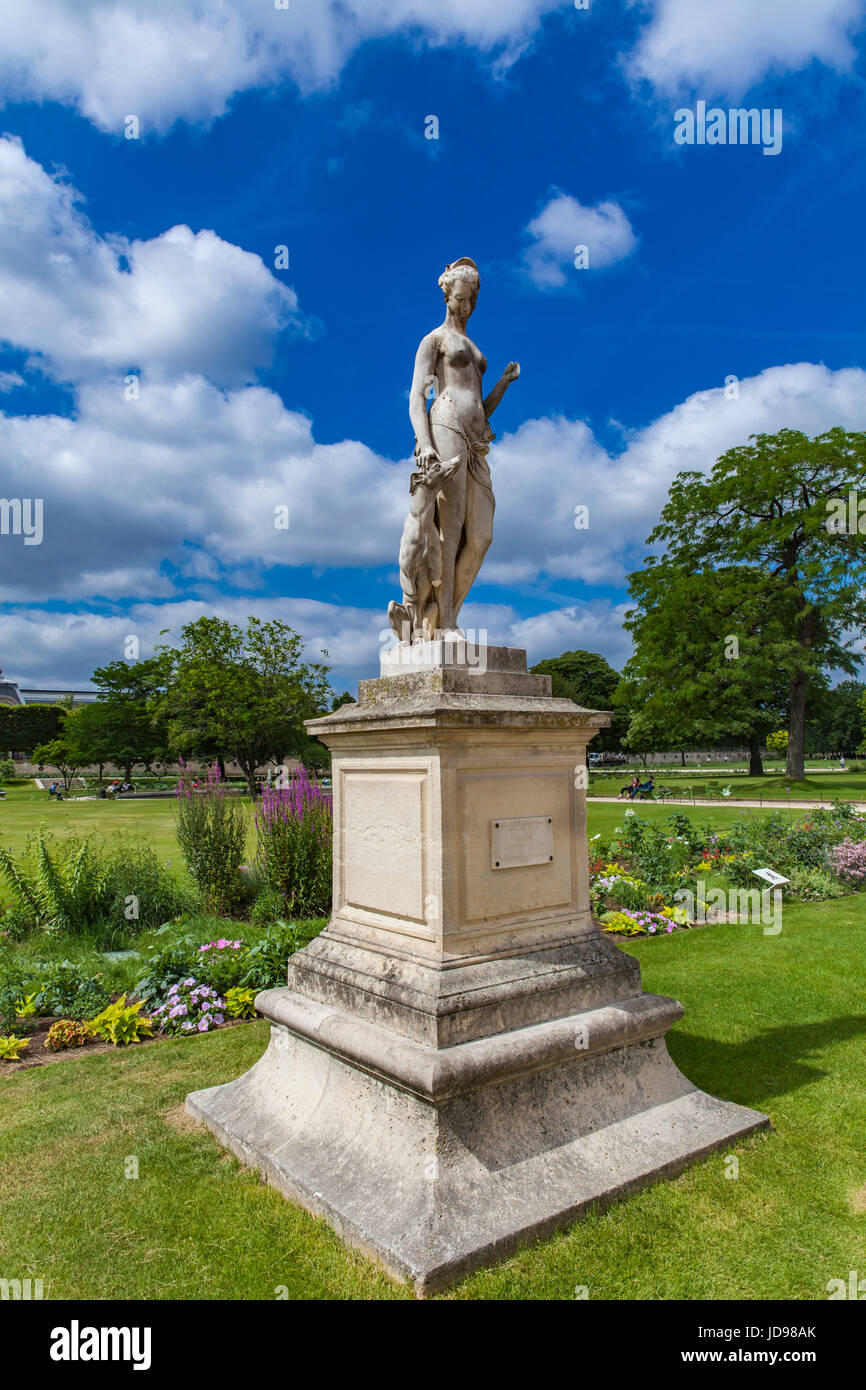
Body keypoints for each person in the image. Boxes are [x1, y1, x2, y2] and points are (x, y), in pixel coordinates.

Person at [396, 257, 520, 640]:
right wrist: (425, 443)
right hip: (445, 425)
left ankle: (440, 614)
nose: (466, 307)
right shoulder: (434, 340)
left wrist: (502, 383)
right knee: (449, 531)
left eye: (472, 301)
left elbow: (480, 407)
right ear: (447, 295)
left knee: (480, 536)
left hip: (476, 438)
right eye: (460, 299)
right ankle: (446, 623)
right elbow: (417, 396)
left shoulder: (473, 346)